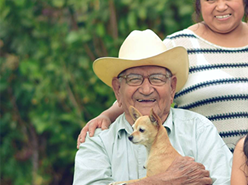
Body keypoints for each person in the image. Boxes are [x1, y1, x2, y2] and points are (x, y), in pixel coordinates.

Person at [77, 0, 248, 151]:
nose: (221, 6)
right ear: (198, 3)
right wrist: (107, 115)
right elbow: (143, 87)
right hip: (201, 171)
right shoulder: (178, 46)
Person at [73, 29, 232, 184]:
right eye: (134, 79)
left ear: (172, 87)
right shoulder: (98, 141)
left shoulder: (199, 130)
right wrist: (163, 181)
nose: (146, 90)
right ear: (117, 89)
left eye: (157, 78)